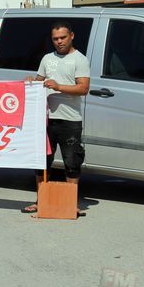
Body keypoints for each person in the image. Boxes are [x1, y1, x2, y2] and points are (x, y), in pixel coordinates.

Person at [23, 21, 91, 216]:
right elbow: (39, 82)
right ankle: (41, 201)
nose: (59, 41)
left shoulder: (80, 60)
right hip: (45, 119)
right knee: (42, 162)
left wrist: (59, 86)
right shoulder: (47, 58)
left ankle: (70, 204)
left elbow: (83, 88)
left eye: (63, 37)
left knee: (72, 162)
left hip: (70, 120)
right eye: (55, 39)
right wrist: (32, 81)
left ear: (72, 36)